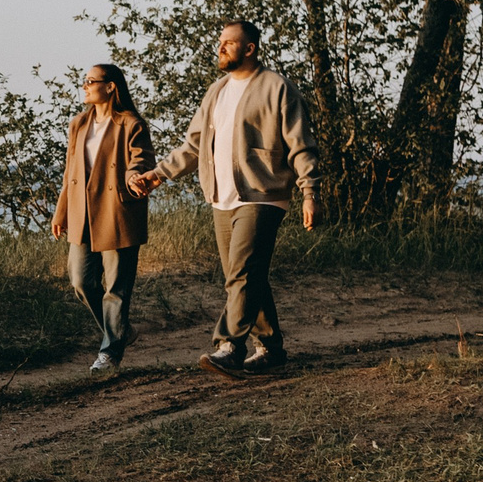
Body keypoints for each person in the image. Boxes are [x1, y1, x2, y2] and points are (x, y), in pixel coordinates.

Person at [133, 20, 319, 378]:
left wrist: (309, 192)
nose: (220, 48)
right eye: (220, 43)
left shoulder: (277, 88)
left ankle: (229, 346)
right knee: (250, 275)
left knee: (242, 273)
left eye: (228, 43)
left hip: (262, 195)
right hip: (222, 198)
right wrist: (158, 174)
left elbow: (301, 146)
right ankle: (271, 349)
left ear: (249, 48)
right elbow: (192, 145)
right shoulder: (216, 91)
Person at [51, 63, 156, 372]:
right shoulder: (79, 124)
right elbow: (71, 171)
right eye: (84, 81)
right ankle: (121, 330)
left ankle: (109, 353)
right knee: (81, 281)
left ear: (110, 86)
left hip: (118, 210)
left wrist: (135, 174)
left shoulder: (130, 123)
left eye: (90, 81)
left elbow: (142, 158)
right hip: (83, 213)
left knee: (117, 288)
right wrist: (62, 211)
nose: (84, 86)